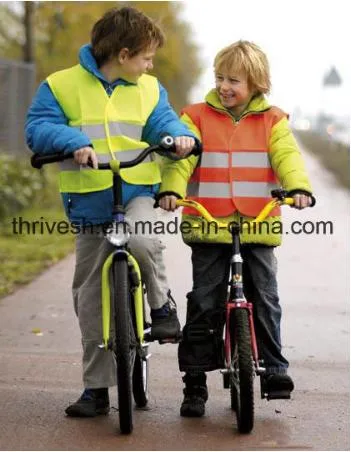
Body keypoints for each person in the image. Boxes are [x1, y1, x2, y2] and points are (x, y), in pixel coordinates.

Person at [25, 6, 196, 418]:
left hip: (136, 189)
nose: (150, 64)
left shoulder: (150, 89)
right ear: (122, 54)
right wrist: (70, 142)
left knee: (141, 239)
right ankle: (96, 389)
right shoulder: (61, 85)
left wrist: (181, 139)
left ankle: (161, 306)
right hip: (88, 200)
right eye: (146, 57)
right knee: (88, 294)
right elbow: (38, 126)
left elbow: (165, 123)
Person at [157, 40, 314, 417]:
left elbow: (287, 156)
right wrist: (171, 191)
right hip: (208, 225)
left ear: (257, 84)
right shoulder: (195, 117)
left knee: (266, 297)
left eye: (235, 81)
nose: (225, 86)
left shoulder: (273, 120)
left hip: (257, 226)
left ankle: (275, 368)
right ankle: (194, 381)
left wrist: (299, 189)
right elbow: (181, 163)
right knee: (205, 301)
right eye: (220, 78)